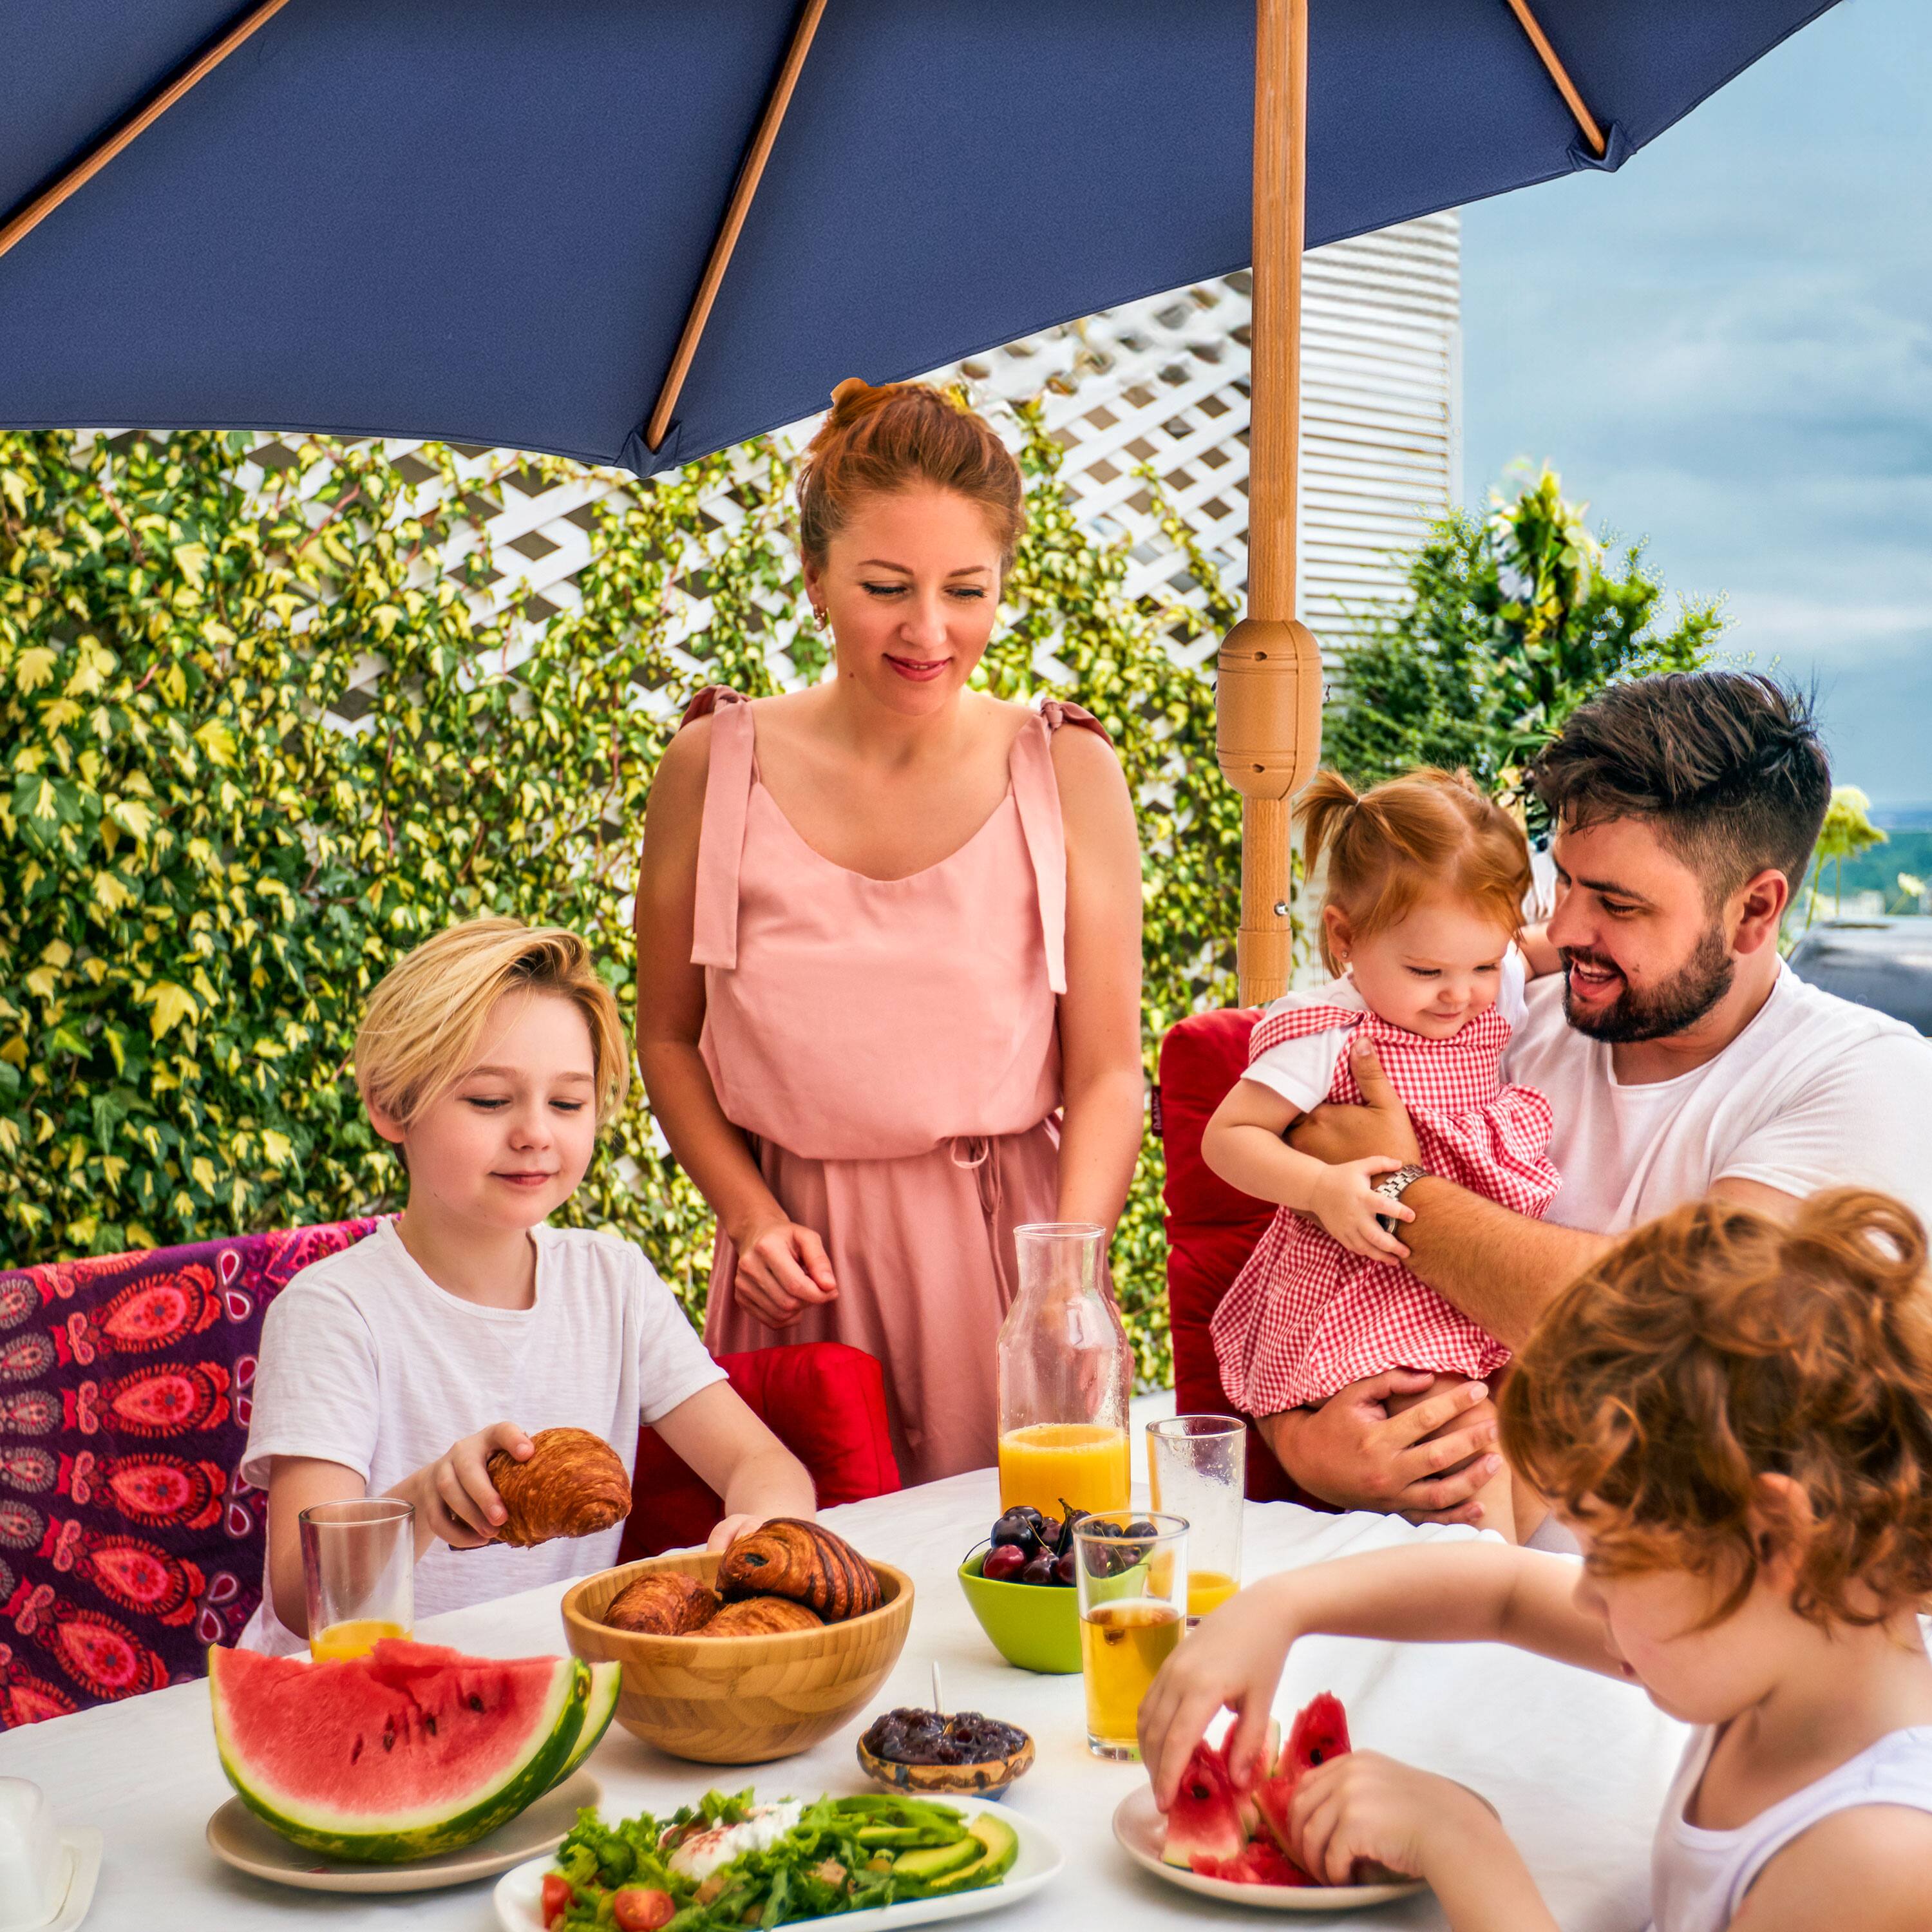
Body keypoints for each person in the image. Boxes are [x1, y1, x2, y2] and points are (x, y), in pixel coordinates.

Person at [1141, 1188, 1932, 1931]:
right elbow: (1505, 1594)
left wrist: (1462, 1841)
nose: (1584, 1596)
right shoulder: (1782, 1649)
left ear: (1775, 1540)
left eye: (1615, 1556)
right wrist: (1278, 1609)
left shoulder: (1874, 1854)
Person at [1267, 672, 1932, 1530]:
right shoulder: (1493, 1026)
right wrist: (1299, 1442)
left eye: (1617, 903)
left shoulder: (1863, 1080)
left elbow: (1681, 1331)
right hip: (1446, 1595)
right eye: (1565, 883)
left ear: (1754, 910)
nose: (1568, 930)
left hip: (1691, 1633)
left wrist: (1395, 1188)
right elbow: (1299, 1269)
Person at [634, 378, 1144, 1486]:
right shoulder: (711, 766)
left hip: (1008, 1268)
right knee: (806, 1613)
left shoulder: (1067, 769)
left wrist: (1068, 1280)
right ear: (814, 578)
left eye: (968, 589)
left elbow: (1109, 1075)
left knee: (1019, 1602)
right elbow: (667, 1040)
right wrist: (750, 1215)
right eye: (884, 587)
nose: (928, 631)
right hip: (794, 1273)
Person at [239, 918, 815, 1654]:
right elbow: (302, 1599)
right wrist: (421, 1503)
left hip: (544, 1682)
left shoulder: (613, 1281)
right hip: (347, 1693)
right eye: (488, 1101)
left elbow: (762, 1464)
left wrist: (754, 1530)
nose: (536, 1133)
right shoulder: (333, 1313)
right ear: (389, 1104)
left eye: (568, 1104)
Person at [1204, 768, 1558, 1540]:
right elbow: (1228, 1139)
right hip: (1366, 1282)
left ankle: (1492, 1606)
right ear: (1345, 940)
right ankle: (1479, 1607)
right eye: (1427, 972)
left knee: (1528, 1446)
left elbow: (1535, 945)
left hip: (1466, 1273)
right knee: (1460, 1465)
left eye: (1482, 966)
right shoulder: (1326, 1030)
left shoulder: (1495, 975)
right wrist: (1323, 1185)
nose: (1461, 996)